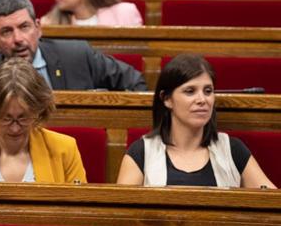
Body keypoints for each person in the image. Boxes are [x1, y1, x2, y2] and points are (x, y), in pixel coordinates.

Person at [117, 54, 275, 188]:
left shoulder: (232, 150)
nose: (202, 100)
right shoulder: (141, 153)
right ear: (166, 99)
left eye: (208, 91)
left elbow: (271, 205)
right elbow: (119, 219)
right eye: (190, 91)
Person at [0, 0, 147, 91]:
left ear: (38, 28)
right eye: (6, 31)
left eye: (24, 27)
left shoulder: (77, 55)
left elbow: (135, 82)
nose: (18, 39)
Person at [0, 59, 85, 183]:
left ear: (38, 110)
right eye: (6, 118)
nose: (15, 128)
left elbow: (79, 209)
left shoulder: (65, 150)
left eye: (23, 117)